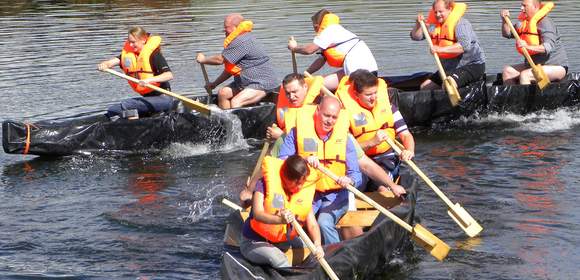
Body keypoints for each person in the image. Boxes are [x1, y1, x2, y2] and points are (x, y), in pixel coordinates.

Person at [277, 96, 362, 245]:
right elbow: (282, 160)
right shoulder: (296, 133)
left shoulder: (345, 138)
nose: (330, 121)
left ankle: (336, 257)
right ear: (317, 111)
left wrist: (350, 180)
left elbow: (356, 174)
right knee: (294, 222)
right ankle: (295, 254)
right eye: (326, 115)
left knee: (324, 222)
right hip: (308, 192)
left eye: (334, 117)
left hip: (336, 195)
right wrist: (303, 158)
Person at [240, 155, 324, 268]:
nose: (300, 187)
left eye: (302, 183)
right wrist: (280, 220)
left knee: (312, 251)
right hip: (254, 241)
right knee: (279, 259)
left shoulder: (303, 190)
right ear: (285, 177)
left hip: (284, 241)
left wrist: (317, 245)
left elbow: (313, 224)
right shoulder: (263, 184)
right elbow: (257, 214)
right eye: (296, 183)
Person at [336, 69, 415, 185]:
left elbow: (405, 134)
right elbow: (348, 149)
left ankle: (384, 188)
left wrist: (409, 150)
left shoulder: (389, 108)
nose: (373, 98)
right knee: (356, 181)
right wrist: (372, 142)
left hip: (386, 158)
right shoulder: (345, 115)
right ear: (357, 95)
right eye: (368, 95)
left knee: (381, 185)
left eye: (375, 93)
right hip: (360, 160)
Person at [196, 13, 278, 109]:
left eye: (226, 27)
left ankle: (238, 123)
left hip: (260, 83)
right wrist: (215, 84)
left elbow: (220, 60)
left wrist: (203, 60)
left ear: (236, 27)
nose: (224, 30)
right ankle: (226, 121)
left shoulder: (242, 41)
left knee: (236, 101)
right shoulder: (237, 40)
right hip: (244, 83)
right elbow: (231, 70)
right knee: (223, 93)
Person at [288, 9, 378, 92]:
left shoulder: (330, 30)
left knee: (314, 86)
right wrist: (305, 75)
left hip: (362, 73)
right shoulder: (336, 31)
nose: (315, 31)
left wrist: (294, 48)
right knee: (317, 82)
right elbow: (321, 60)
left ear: (317, 25)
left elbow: (309, 50)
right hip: (366, 70)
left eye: (314, 27)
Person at [98, 26, 175, 119]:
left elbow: (169, 75)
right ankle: (133, 123)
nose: (130, 45)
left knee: (128, 104)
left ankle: (135, 126)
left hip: (163, 99)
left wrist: (149, 80)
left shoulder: (154, 55)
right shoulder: (129, 55)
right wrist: (104, 64)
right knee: (113, 110)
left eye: (133, 42)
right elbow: (110, 63)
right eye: (129, 42)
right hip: (148, 100)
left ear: (143, 40)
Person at [410, 0, 486, 90]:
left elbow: (464, 46)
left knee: (448, 85)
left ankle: (455, 103)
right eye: (435, 12)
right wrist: (418, 25)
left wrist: (440, 50)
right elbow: (416, 37)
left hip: (471, 66)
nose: (437, 15)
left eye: (440, 11)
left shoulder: (461, 23)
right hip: (449, 68)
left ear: (449, 9)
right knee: (425, 87)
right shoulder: (434, 26)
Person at [500, 0, 568, 85]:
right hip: (534, 65)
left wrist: (528, 47)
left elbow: (548, 47)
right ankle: (514, 98)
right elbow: (507, 34)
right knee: (508, 71)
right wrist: (504, 21)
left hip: (555, 67)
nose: (521, 8)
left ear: (535, 7)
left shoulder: (545, 23)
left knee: (525, 75)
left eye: (525, 6)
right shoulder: (523, 23)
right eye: (521, 5)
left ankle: (527, 98)